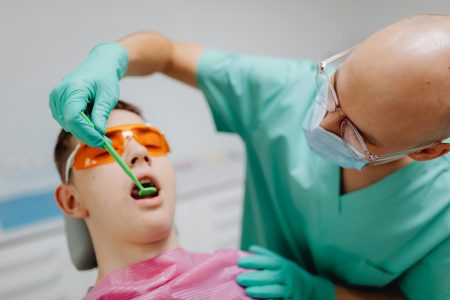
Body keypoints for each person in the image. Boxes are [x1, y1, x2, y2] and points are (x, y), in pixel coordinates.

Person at [50, 14, 450, 299]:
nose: (323, 120)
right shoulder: (286, 90)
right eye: (332, 93)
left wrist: (322, 294)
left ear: (428, 150)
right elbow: (165, 52)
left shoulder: (440, 218)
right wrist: (112, 56)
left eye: (352, 131)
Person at [53, 100, 251, 299]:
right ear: (72, 201)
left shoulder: (251, 275)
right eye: (106, 148)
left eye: (151, 142)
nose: (140, 152)